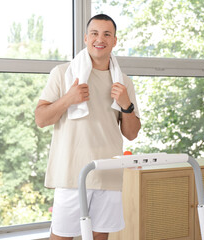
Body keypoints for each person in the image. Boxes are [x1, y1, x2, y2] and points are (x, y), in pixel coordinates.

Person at [35, 14, 141, 240]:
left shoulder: (123, 81)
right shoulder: (63, 73)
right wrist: (68, 99)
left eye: (106, 34)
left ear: (114, 41)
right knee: (61, 237)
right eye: (94, 33)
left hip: (107, 175)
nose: (99, 39)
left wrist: (126, 105)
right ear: (85, 38)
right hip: (72, 174)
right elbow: (41, 119)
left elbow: (131, 133)